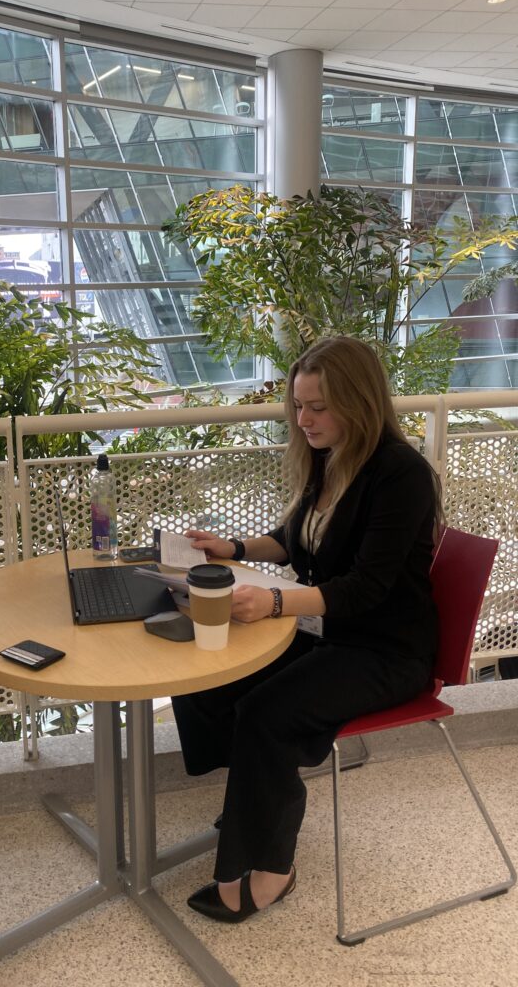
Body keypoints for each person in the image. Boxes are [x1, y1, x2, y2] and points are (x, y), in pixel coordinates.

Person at [173, 335, 441, 923]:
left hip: (386, 649)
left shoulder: (401, 475)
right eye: (299, 405)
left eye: (318, 406)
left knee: (267, 710)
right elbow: (295, 540)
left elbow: (367, 589)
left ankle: (272, 868)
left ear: (359, 402)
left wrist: (273, 602)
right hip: (336, 633)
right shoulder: (331, 457)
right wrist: (235, 547)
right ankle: (250, 796)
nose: (304, 419)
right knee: (208, 674)